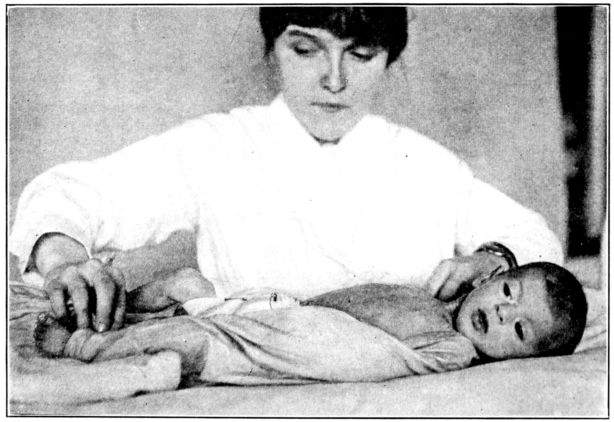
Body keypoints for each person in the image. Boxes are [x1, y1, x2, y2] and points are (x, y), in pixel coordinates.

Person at [11, 7, 563, 333]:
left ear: (390, 59)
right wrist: (65, 261)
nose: (334, 80)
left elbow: (533, 235)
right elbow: (66, 194)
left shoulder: (426, 163)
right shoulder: (222, 145)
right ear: (272, 49)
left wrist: (492, 259)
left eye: (360, 54)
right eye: (306, 50)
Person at [34, 262, 587, 385]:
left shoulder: (453, 351)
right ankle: (112, 311)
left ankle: (81, 344)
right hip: (279, 307)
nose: (504, 313)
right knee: (183, 283)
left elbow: (355, 353)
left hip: (279, 339)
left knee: (186, 340)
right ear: (493, 276)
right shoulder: (437, 296)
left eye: (520, 331)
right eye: (509, 292)